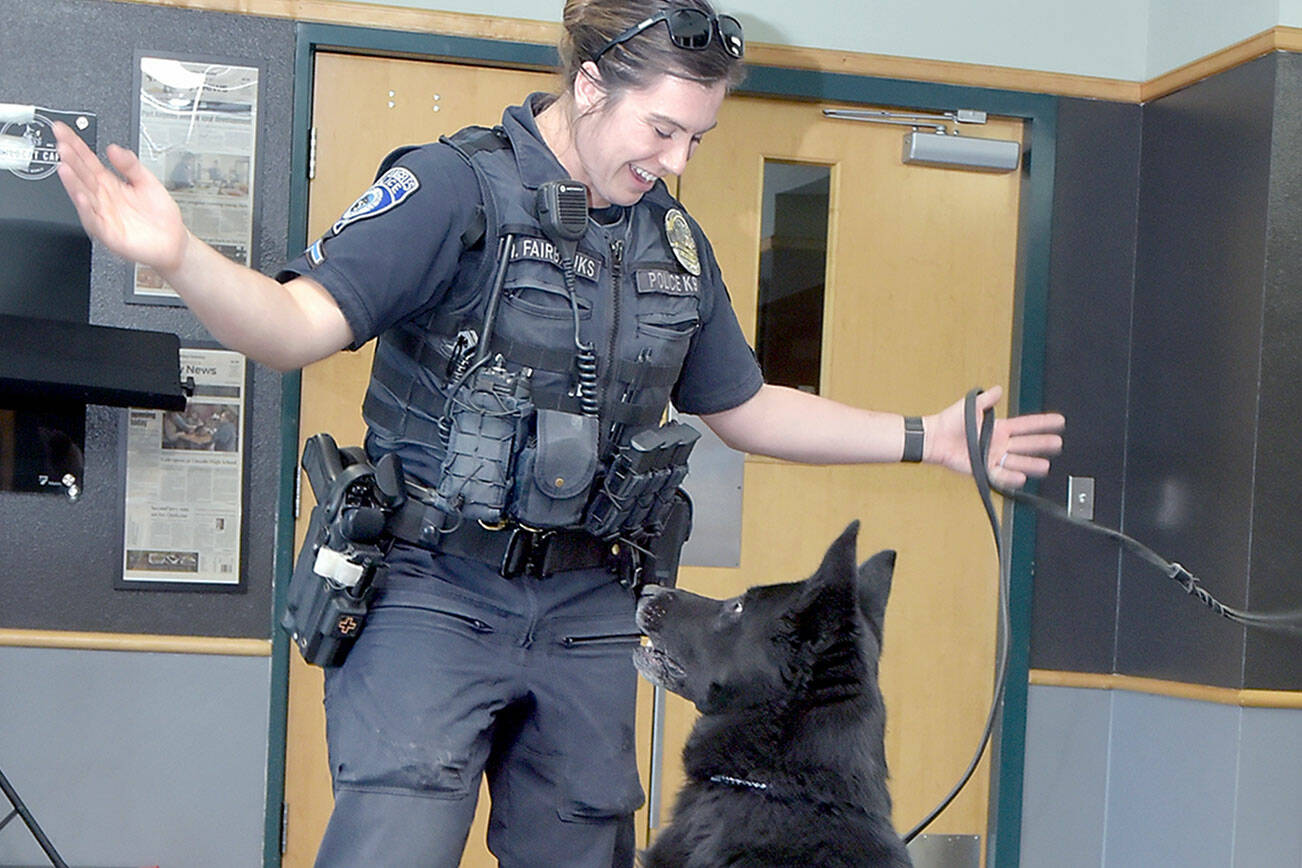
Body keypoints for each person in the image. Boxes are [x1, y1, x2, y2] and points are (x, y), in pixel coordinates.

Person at [52, 0, 1065, 864]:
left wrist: (925, 436)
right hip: (433, 592)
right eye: (663, 129)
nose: (677, 161)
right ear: (589, 83)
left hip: (590, 602)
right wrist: (183, 257)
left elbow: (744, 407)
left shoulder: (674, 241)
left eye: (697, 139)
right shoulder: (453, 188)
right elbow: (292, 327)